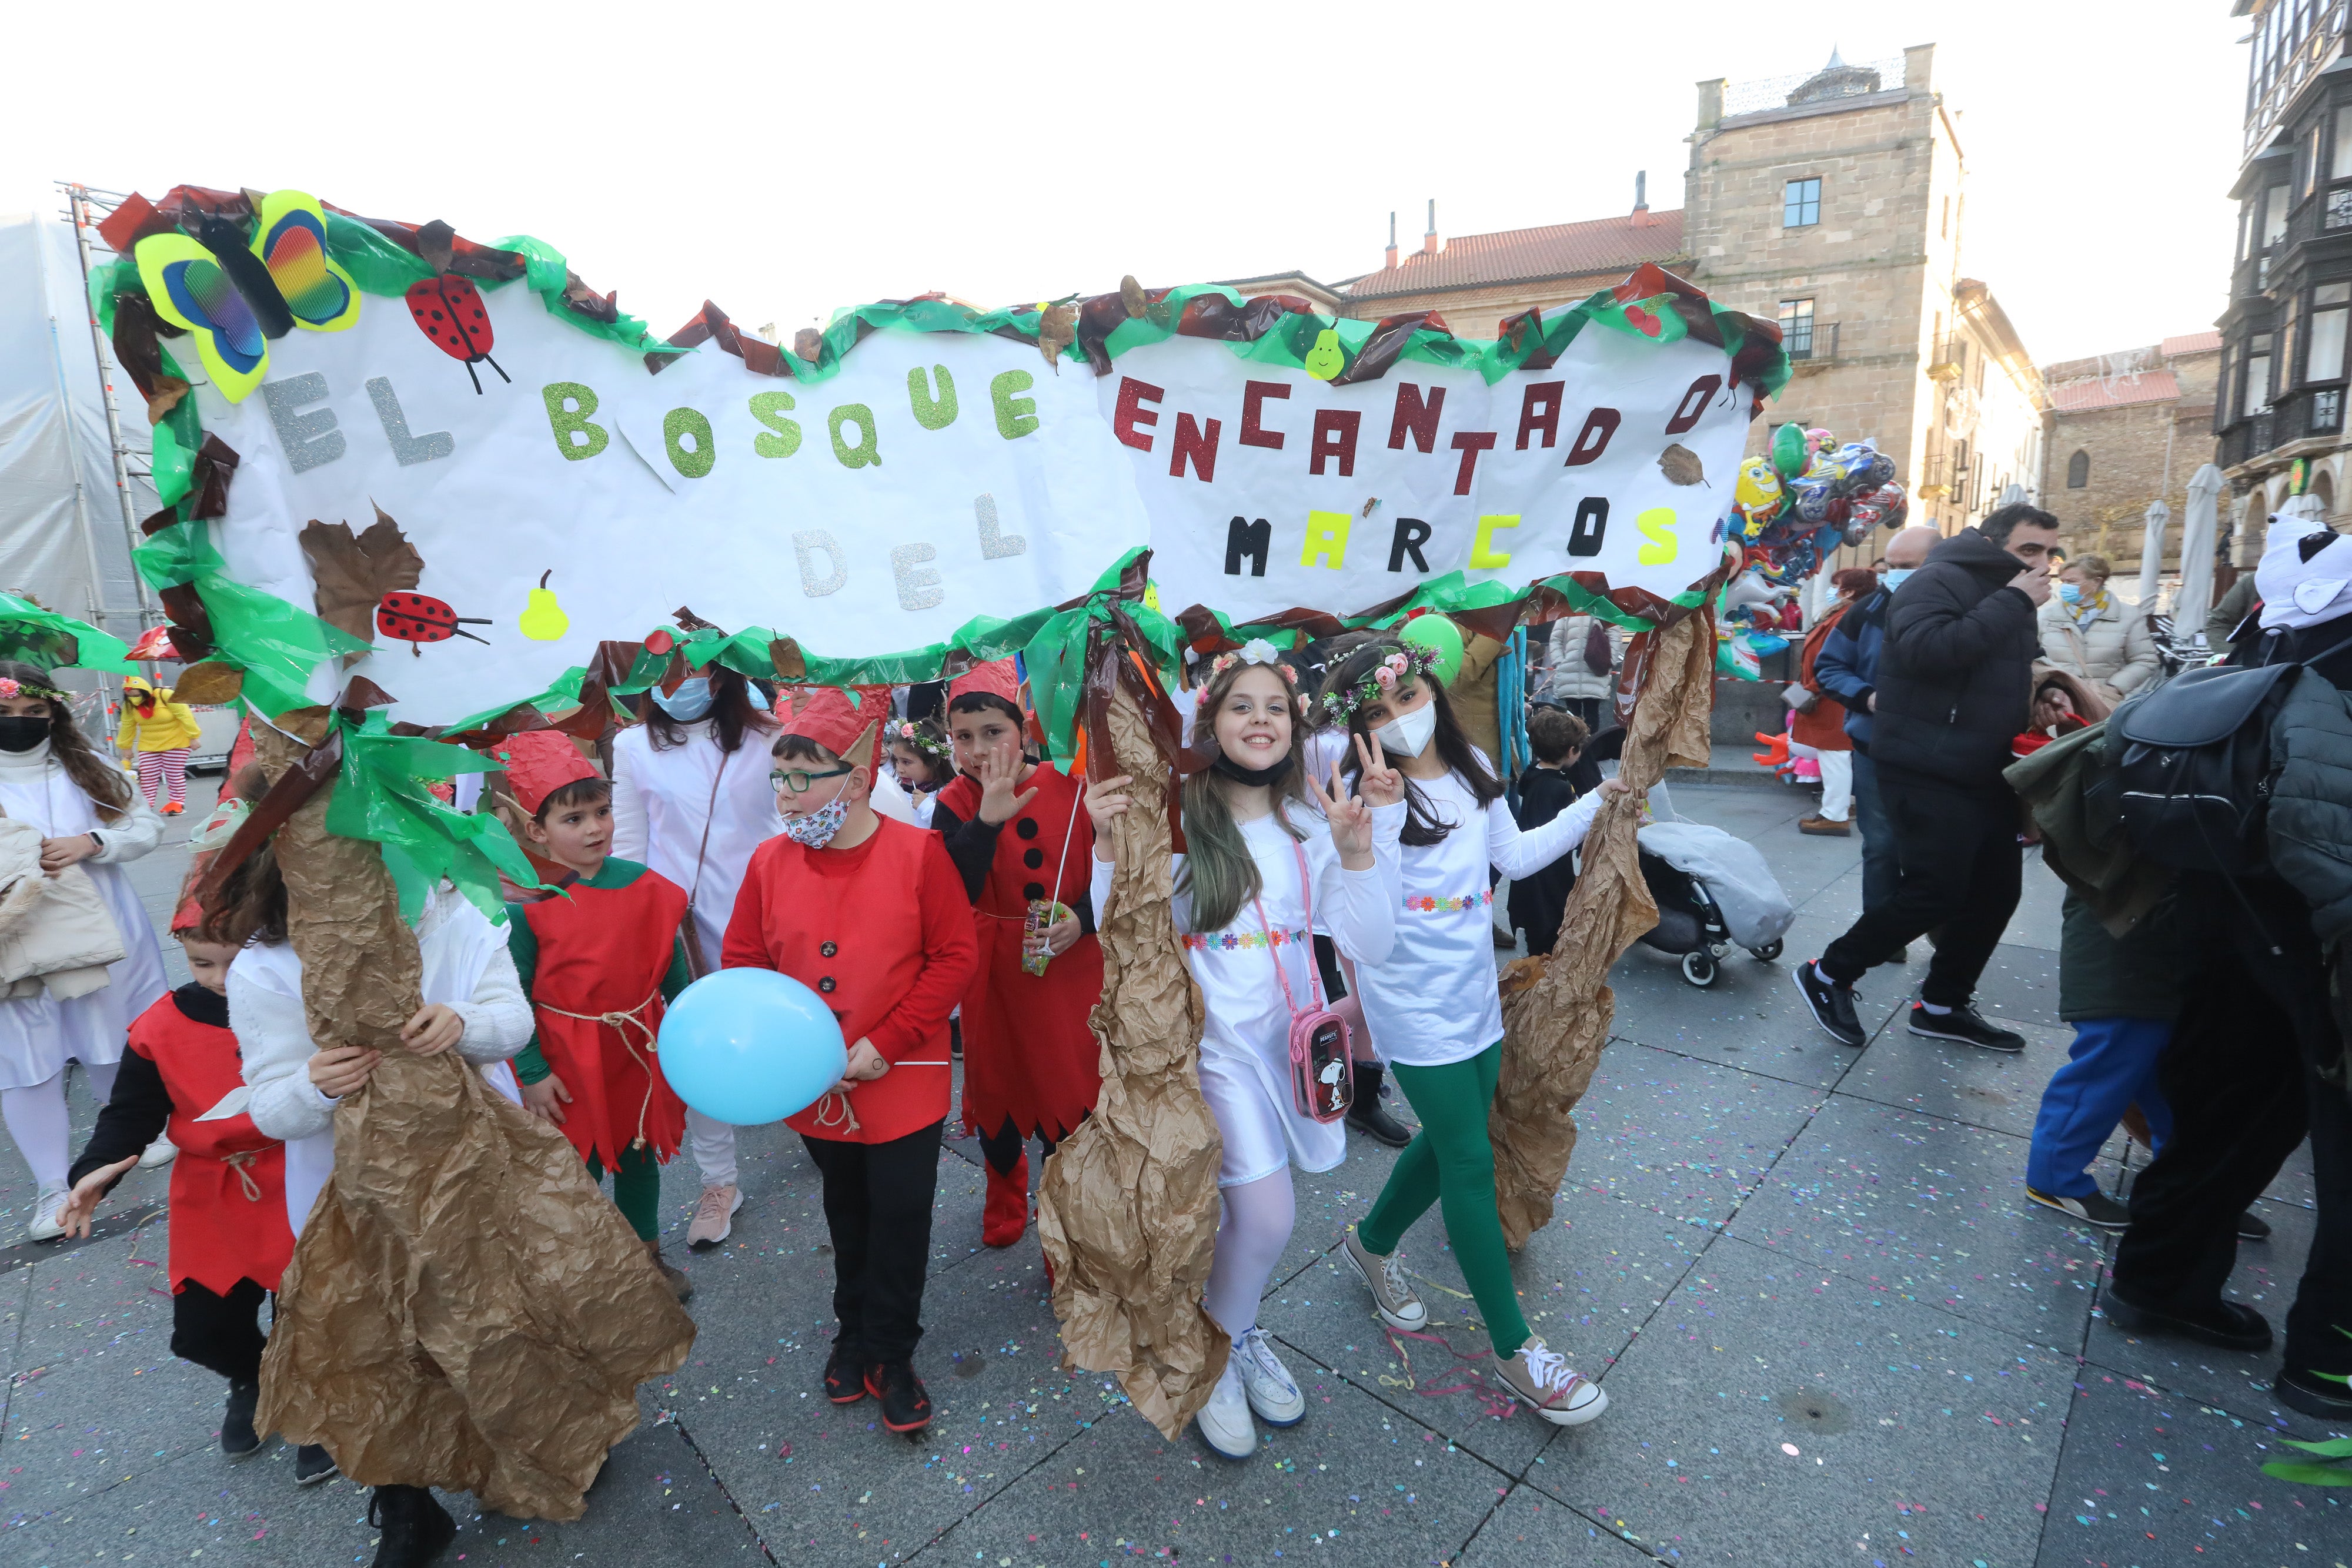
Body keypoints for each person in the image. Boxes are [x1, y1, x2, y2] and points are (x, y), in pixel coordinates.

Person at [1083, 644, 1405, 1459]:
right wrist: (1108, 845)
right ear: (1209, 724)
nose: (1260, 720)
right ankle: (1212, 1355)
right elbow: (1121, 929)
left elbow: (1372, 942)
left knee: (1243, 1217)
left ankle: (1236, 1326)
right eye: (1241, 706)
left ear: (1295, 725)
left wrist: (1360, 852)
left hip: (1291, 1047)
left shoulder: (1313, 823)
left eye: (1275, 707)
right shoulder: (1177, 821)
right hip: (1213, 1051)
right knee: (1267, 1215)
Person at [1327, 639, 1632, 1427]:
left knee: (1452, 1138)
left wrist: (1598, 800)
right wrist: (1380, 819)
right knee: (1469, 1155)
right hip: (1410, 1002)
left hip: (1473, 993)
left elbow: (1516, 857)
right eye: (1379, 712)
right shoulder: (1362, 800)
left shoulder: (1474, 771)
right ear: (1358, 729)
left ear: (1432, 689)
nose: (1401, 717)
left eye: (1408, 696)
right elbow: (1370, 934)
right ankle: (1515, 1347)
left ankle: (1370, 1242)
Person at [226, 795, 534, 1563]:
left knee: (498, 1315)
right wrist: (314, 1084)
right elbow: (269, 1104)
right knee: (383, 1343)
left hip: (473, 1165)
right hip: (352, 1191)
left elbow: (512, 1018)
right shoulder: (267, 966)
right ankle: (407, 1506)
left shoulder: (454, 916)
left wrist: (464, 1020)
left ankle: (536, 1450)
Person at [2107, 510, 2352, 1422]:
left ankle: (2158, 1278)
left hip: (2229, 894)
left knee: (2232, 1100)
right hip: (2319, 914)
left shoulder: (2272, 619)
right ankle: (2330, 1361)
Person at [721, 688, 974, 1434]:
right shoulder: (768, 863)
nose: (786, 795)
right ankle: (852, 1332)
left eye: (805, 777)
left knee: (901, 1210)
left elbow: (954, 958)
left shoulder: (919, 854)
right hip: (817, 1084)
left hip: (903, 1078)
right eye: (780, 777)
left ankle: (892, 1350)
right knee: (847, 1205)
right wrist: (788, 1047)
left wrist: (887, 1043)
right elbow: (745, 963)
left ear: (859, 780)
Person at [52, 893, 335, 1485]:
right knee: (203, 1329)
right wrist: (95, 1170)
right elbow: (130, 1112)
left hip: (297, 1172)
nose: (222, 979)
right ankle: (253, 1376)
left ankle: (314, 1404)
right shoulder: (161, 1026)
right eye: (203, 963)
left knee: (312, 1309)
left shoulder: (300, 1004)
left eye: (237, 961)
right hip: (212, 1192)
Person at [1795, 505, 2059, 1053]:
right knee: (1935, 890)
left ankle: (1943, 1005)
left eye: (2049, 552)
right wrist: (2014, 601)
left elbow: (2011, 666)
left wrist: (2045, 693)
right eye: (2030, 549)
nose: (2043, 562)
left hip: (1987, 764)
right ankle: (1828, 973)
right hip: (1926, 762)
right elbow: (1926, 652)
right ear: (1992, 542)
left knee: (1996, 893)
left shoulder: (2010, 592)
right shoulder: (1939, 579)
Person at [500, 733, 696, 1301]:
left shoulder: (646, 887)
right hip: (567, 1057)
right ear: (537, 830)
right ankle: (582, 1274)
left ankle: (645, 1256)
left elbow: (670, 964)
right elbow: (516, 993)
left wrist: (689, 1028)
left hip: (635, 1046)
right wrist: (532, 1072)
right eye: (574, 818)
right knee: (574, 1163)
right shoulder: (526, 905)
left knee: (639, 1150)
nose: (595, 828)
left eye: (602, 812)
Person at [931, 661, 1104, 1249]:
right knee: (996, 1088)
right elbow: (951, 886)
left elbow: (1115, 870)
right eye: (963, 736)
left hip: (1068, 968)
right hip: (994, 970)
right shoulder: (953, 800)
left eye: (993, 732)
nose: (979, 749)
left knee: (1068, 1093)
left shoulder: (1071, 785)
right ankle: (1004, 1190)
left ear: (1023, 728)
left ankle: (1064, 1223)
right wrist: (985, 820)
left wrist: (1082, 917)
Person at [0, 663, 171, 1241]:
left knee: (114, 1035)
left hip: (101, 927)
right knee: (25, 1058)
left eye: (33, 712)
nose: (19, 723)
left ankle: (134, 1137)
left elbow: (146, 828)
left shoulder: (90, 767)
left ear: (54, 714)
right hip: (14, 938)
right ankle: (53, 1186)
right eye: (5, 714)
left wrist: (93, 842)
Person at [611, 662, 779, 1249]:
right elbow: (630, 844)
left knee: (786, 1029)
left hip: (768, 914)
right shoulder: (632, 746)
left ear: (720, 668)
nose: (677, 678)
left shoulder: (767, 736)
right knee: (697, 1046)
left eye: (690, 662)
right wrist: (633, 926)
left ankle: (821, 1129)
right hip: (681, 926)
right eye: (660, 666)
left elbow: (794, 818)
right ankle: (718, 1182)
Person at [1814, 526, 1940, 931]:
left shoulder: (1966, 607)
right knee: (1881, 846)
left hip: (1942, 751)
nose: (1896, 575)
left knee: (1939, 848)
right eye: (1891, 567)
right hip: (1876, 747)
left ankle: (1942, 932)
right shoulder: (1867, 611)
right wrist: (1867, 697)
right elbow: (1829, 667)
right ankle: (1882, 934)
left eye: (1909, 566)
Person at [1789, 569, 1876, 837]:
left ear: (1849, 591)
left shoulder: (1847, 617)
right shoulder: (1844, 614)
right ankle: (1838, 808)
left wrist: (1812, 688)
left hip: (1830, 697)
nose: (1832, 590)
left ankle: (1834, 815)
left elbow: (1836, 661)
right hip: (1829, 695)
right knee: (1835, 757)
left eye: (1836, 585)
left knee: (1834, 758)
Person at [1506, 706, 1592, 957]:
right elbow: (1569, 829)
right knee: (1550, 928)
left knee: (1536, 927)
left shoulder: (1532, 775)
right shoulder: (1560, 788)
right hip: (1551, 869)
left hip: (1529, 863)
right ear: (1571, 751)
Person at [2035, 553, 2160, 703]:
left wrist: (2114, 687)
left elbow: (2145, 660)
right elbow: (2034, 659)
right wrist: (2048, 689)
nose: (2065, 587)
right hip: (2056, 703)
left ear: (2096, 582)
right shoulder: (2046, 616)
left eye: (2072, 582)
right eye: (2063, 582)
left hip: (2102, 702)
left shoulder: (2129, 616)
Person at [115, 674, 201, 816]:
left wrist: (194, 736)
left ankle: (177, 803)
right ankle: (146, 805)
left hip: (176, 741)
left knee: (174, 774)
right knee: (147, 775)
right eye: (129, 696)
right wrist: (126, 747)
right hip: (149, 744)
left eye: (137, 695)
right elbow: (127, 726)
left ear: (145, 691)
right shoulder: (129, 706)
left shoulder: (165, 695)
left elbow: (185, 715)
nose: (134, 699)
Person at [1540, 614, 1621, 732]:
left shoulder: (1602, 611)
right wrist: (1559, 662)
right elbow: (1556, 639)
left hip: (1594, 670)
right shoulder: (1567, 613)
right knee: (1571, 717)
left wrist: (1610, 660)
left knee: (1592, 714)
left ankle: (1590, 743)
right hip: (1571, 671)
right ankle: (1576, 743)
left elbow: (1615, 635)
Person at [883, 717, 955, 828]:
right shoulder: (896, 791)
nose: (899, 769)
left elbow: (954, 831)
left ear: (935, 761)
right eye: (897, 760)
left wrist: (928, 809)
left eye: (906, 762)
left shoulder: (951, 794)